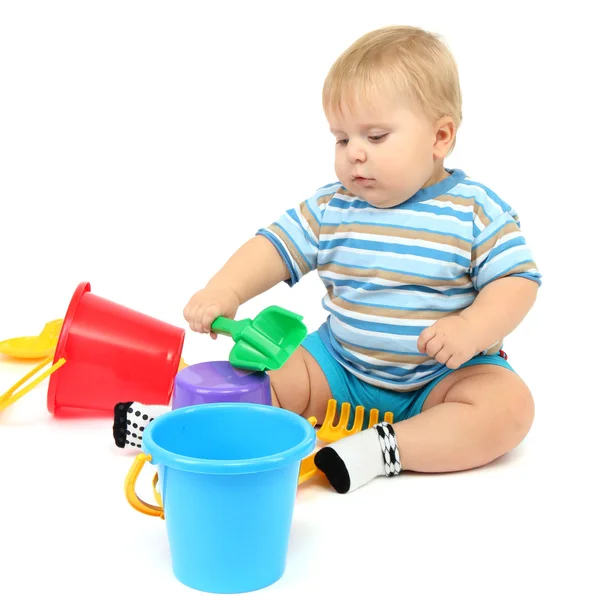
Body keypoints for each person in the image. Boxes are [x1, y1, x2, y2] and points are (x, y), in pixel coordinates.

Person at [181, 25, 542, 494]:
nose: (354, 154)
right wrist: (224, 290)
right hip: (338, 370)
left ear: (440, 136)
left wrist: (474, 328)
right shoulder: (334, 207)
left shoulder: (474, 210)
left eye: (375, 136)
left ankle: (384, 448)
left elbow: (518, 280)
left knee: (508, 408)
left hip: (442, 380)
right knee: (267, 370)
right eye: (341, 139)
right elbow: (272, 245)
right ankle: (196, 420)